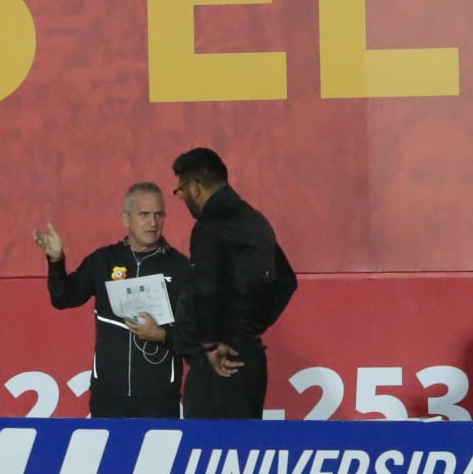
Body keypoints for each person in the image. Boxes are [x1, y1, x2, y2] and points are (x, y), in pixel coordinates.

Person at [35, 184, 198, 418]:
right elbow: (63, 297)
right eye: (144, 214)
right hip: (107, 397)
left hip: (159, 398)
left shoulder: (181, 267)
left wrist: (162, 335)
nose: (153, 223)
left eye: (158, 214)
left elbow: (196, 336)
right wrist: (56, 260)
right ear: (125, 219)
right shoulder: (103, 261)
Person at [169, 148, 291, 419]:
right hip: (248, 358)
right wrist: (247, 330)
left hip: (218, 366)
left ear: (195, 187)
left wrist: (211, 344)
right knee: (244, 442)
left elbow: (207, 288)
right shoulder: (256, 221)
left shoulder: (209, 226)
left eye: (181, 190)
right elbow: (286, 281)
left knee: (206, 443)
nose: (183, 197)